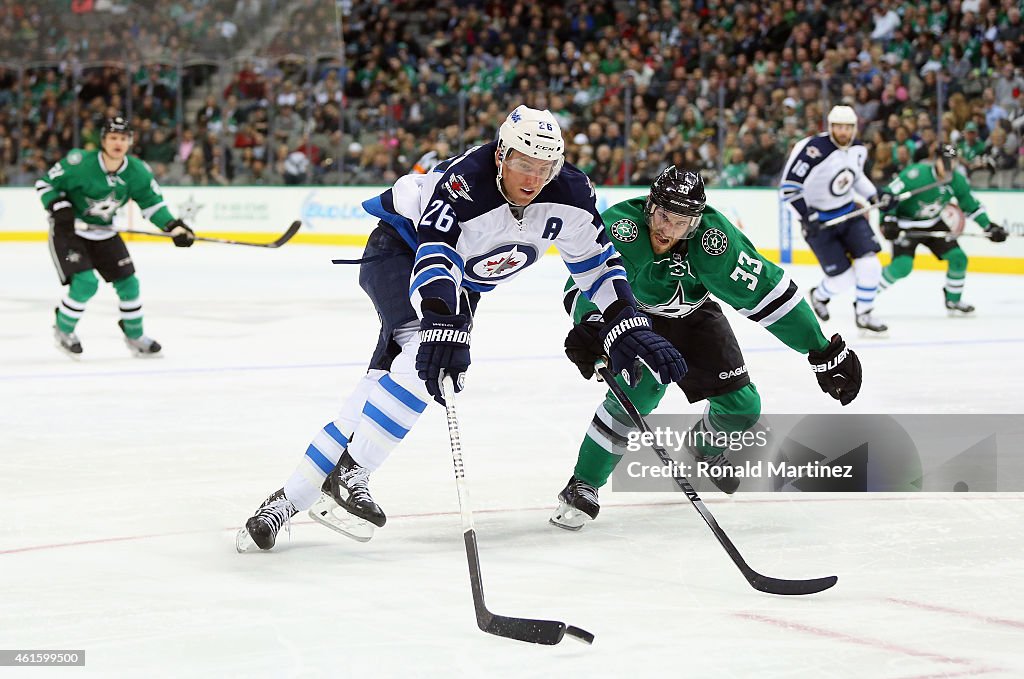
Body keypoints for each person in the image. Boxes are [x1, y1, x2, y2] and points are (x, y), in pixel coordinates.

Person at [236, 105, 686, 551]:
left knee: (380, 392)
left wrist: (627, 321)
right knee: (424, 355)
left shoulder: (570, 193)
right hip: (401, 253)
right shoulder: (465, 181)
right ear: (500, 156)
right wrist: (443, 321)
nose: (533, 178)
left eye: (545, 166)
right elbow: (435, 256)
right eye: (524, 164)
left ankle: (286, 501)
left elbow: (598, 267)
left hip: (461, 286)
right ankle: (352, 473)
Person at [550, 166, 863, 529]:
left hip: (695, 316)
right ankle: (582, 484)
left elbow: (767, 292)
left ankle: (704, 447)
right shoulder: (622, 227)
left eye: (681, 222)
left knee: (743, 407)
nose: (667, 229)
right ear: (650, 206)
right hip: (633, 317)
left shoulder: (715, 241)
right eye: (663, 215)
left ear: (695, 223)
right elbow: (586, 284)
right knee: (636, 397)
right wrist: (594, 327)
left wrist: (821, 349)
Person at [38, 116, 195, 358]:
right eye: (112, 137)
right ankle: (63, 329)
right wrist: (58, 205)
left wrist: (173, 226)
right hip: (71, 232)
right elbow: (45, 184)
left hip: (104, 231)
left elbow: (152, 204)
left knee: (129, 284)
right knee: (86, 283)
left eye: (123, 138)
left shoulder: (137, 171)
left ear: (130, 142)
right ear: (103, 141)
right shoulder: (79, 162)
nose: (117, 143)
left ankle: (134, 335)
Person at [780, 105, 888, 334]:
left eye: (847, 127)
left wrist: (874, 195)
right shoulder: (812, 150)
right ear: (830, 127)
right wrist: (807, 218)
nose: (842, 132)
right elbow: (789, 189)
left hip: (849, 213)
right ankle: (819, 296)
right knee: (844, 279)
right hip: (820, 222)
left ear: (854, 128)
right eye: (837, 127)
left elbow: (856, 177)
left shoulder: (858, 148)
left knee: (870, 264)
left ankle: (865, 313)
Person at [877, 145, 1008, 314]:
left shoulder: (957, 180)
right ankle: (865, 296)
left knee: (958, 258)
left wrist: (988, 226)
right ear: (936, 160)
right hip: (906, 224)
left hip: (933, 222)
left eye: (952, 161)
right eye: (945, 161)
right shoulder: (915, 174)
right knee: (902, 267)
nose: (948, 166)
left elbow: (970, 205)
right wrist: (888, 220)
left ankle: (953, 300)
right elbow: (888, 197)